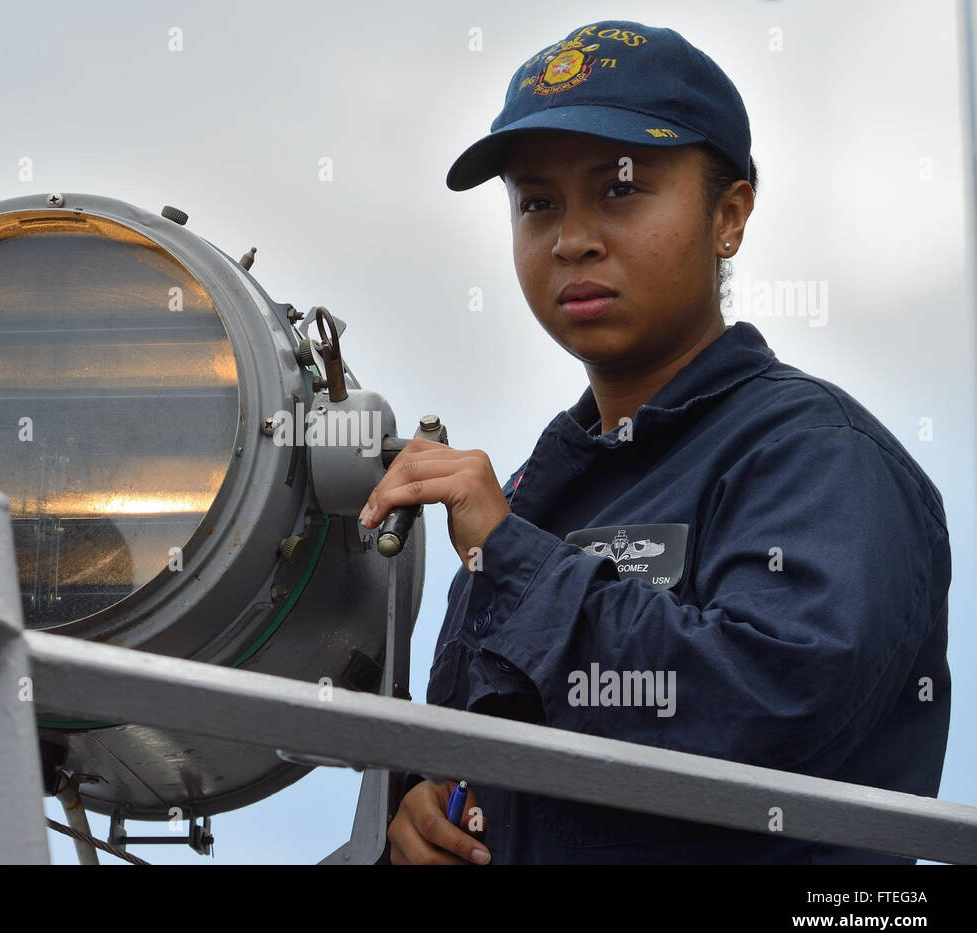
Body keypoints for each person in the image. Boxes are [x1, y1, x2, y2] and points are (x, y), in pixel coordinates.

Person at [371, 19, 951, 864]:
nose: (571, 238)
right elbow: (482, 774)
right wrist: (424, 816)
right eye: (538, 202)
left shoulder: (820, 457)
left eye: (620, 189)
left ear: (731, 214)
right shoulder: (536, 497)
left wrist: (512, 557)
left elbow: (773, 707)